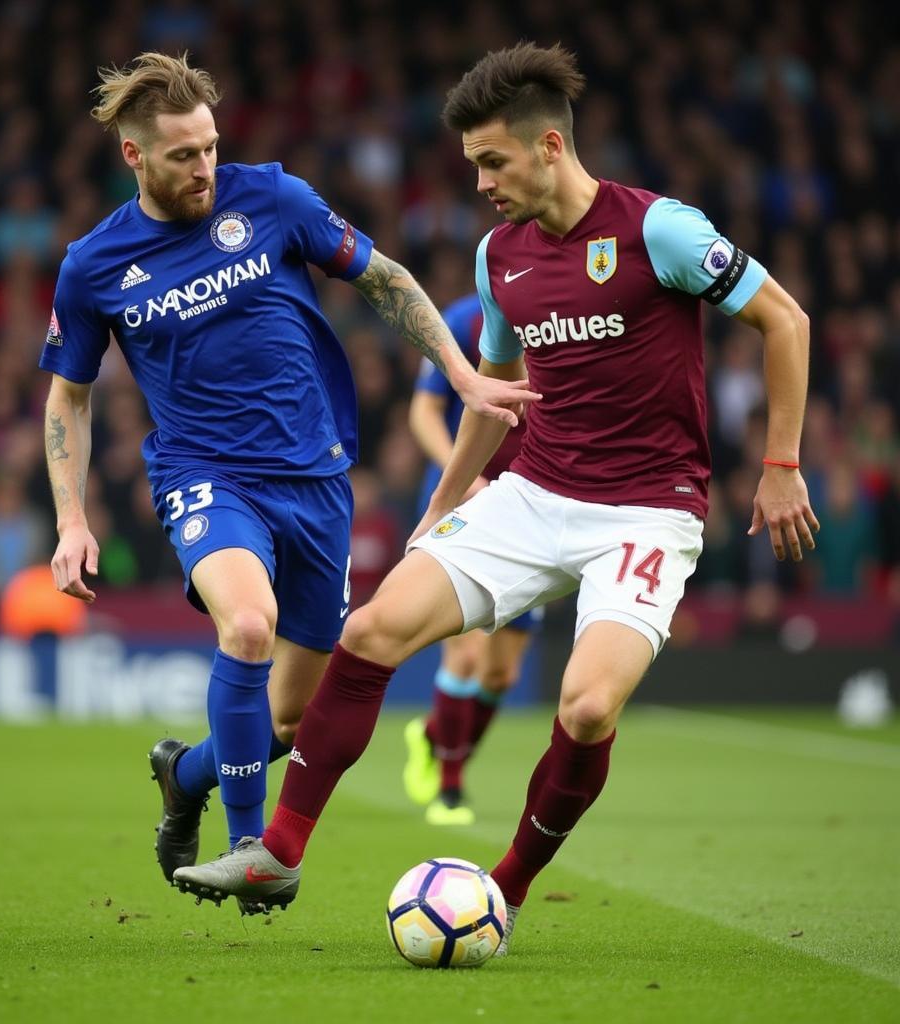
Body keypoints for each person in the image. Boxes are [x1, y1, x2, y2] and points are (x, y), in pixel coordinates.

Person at [170, 42, 820, 955]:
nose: (479, 182)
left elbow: (784, 319)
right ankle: (278, 850)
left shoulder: (660, 231)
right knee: (370, 633)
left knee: (587, 709)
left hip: (646, 510)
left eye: (492, 161)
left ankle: (503, 887)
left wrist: (782, 461)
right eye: (473, 163)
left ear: (550, 146)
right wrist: (440, 508)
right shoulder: (498, 256)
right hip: (533, 491)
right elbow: (494, 390)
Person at [39, 52, 537, 899]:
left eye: (209, 148)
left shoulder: (271, 197)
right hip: (205, 475)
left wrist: (461, 375)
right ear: (134, 158)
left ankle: (187, 774)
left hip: (316, 481)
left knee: (290, 720)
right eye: (182, 156)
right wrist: (71, 521)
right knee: (247, 628)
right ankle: (251, 850)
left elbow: (384, 278)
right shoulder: (94, 265)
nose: (204, 168)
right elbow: (69, 399)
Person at [403, 291, 542, 826]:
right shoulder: (464, 321)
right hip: (463, 494)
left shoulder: (571, 312)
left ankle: (436, 735)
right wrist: (465, 477)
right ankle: (450, 789)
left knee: (501, 674)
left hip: (530, 502)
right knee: (463, 655)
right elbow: (424, 410)